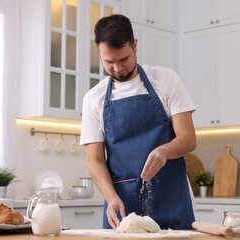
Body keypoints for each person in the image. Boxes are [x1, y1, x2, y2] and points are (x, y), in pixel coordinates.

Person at [80, 14, 197, 230]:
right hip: (122, 207)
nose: (117, 68)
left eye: (123, 59)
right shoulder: (93, 99)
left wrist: (164, 150)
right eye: (108, 62)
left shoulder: (166, 80)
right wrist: (110, 197)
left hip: (171, 201)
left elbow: (188, 138)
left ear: (135, 45)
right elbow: (94, 160)